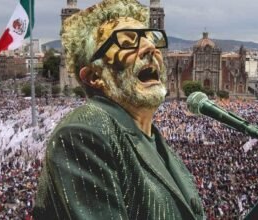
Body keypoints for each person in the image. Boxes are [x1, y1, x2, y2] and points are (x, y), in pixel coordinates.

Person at [33, 0, 204, 219]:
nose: (150, 47)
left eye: (151, 39)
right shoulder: (83, 134)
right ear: (94, 76)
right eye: (127, 42)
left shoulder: (153, 140)